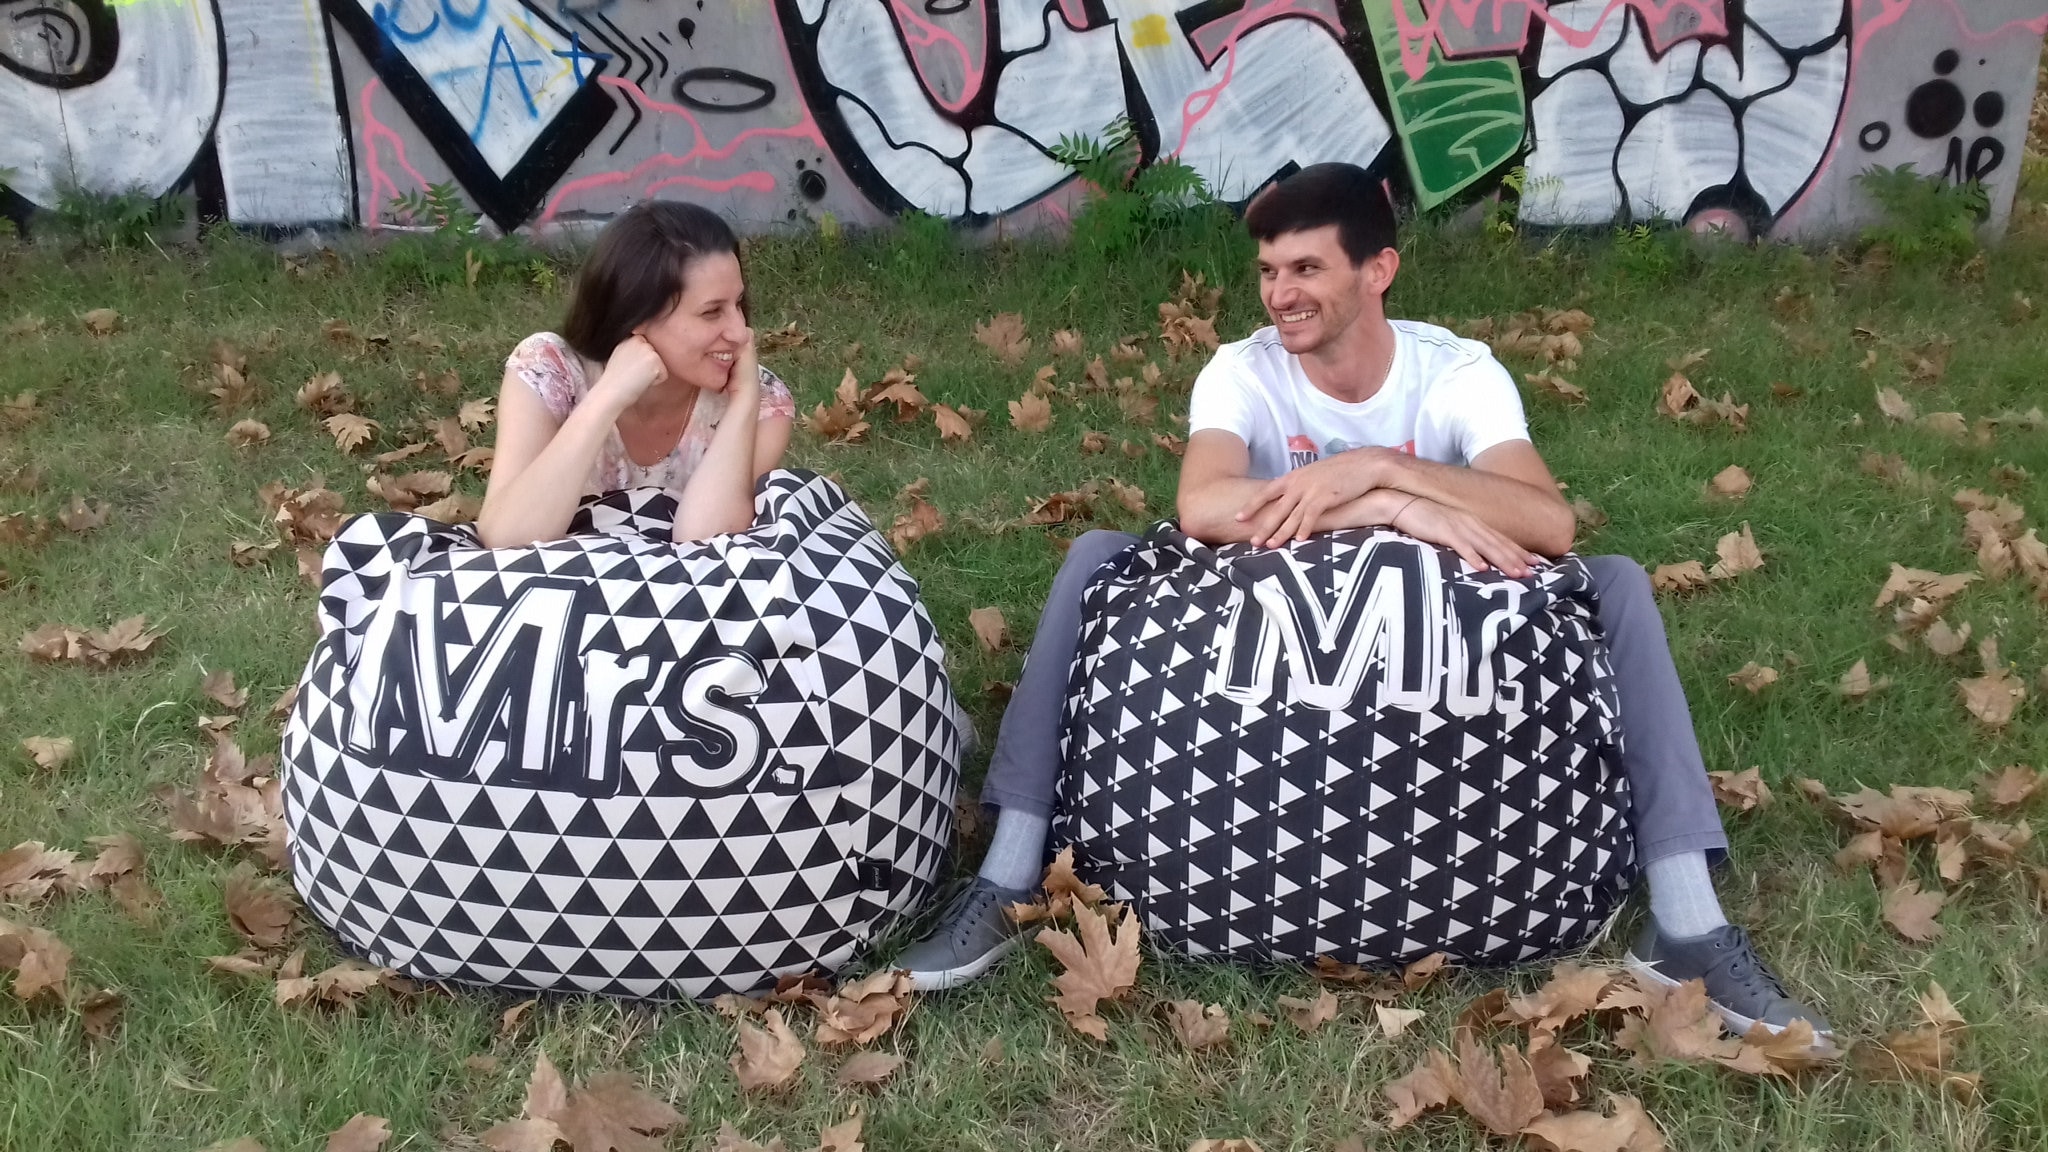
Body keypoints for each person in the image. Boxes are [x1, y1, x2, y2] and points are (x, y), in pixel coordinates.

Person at [897, 163, 1830, 1044]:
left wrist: (1381, 465)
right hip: (1263, 650)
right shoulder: (1244, 370)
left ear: (1378, 270)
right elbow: (1203, 505)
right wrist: (1386, 507)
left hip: (1434, 661)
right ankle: (1008, 873)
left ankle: (1687, 922)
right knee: (1095, 556)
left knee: (1617, 581)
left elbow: (1547, 520)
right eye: (1269, 271)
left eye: (1307, 268)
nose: (1280, 293)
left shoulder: (1455, 372)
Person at [478, 201, 795, 548]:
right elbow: (505, 537)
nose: (739, 332)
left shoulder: (763, 402)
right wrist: (609, 396)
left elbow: (708, 545)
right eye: (711, 312)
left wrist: (745, 400)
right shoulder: (548, 370)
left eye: (738, 303)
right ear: (637, 315)